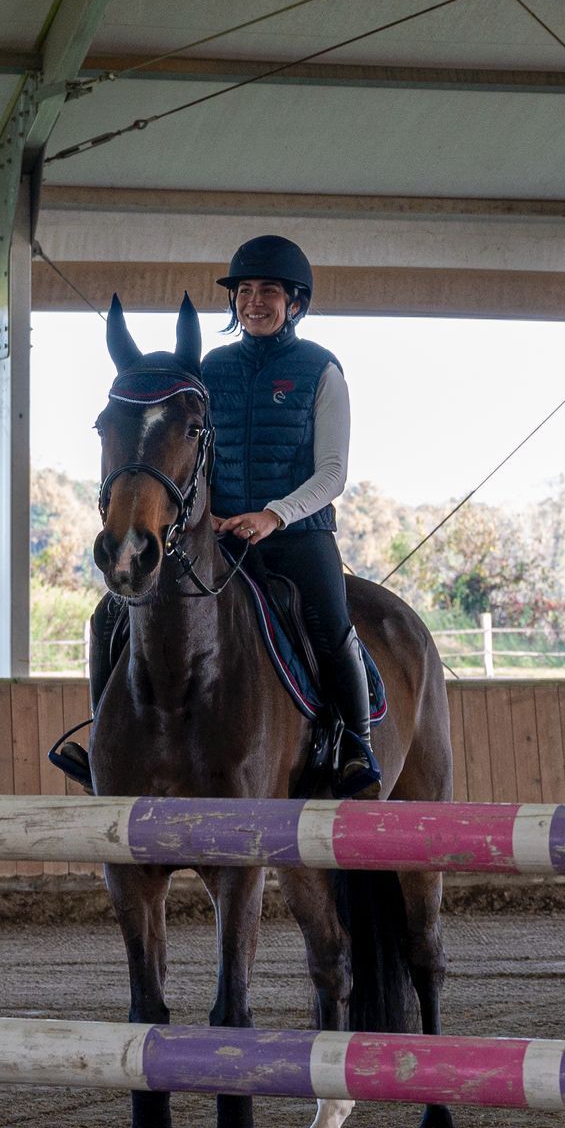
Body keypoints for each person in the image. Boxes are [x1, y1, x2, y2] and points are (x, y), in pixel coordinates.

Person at [202, 234, 379, 797]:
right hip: (220, 536)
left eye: (269, 291)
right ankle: (108, 737)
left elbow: (332, 473)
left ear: (294, 302)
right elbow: (196, 454)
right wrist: (205, 513)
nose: (254, 301)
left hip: (299, 536)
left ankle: (357, 745)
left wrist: (275, 515)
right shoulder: (211, 368)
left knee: (332, 627)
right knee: (119, 612)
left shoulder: (320, 369)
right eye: (245, 291)